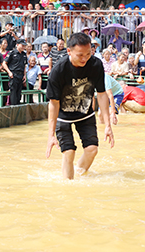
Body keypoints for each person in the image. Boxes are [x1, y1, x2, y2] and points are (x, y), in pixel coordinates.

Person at [45, 32, 114, 180]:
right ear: (69, 51)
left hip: (85, 113)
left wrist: (108, 125)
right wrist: (51, 134)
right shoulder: (58, 70)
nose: (85, 59)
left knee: (92, 150)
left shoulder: (95, 64)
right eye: (80, 55)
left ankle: (80, 175)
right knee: (69, 152)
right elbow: (53, 104)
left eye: (88, 54)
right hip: (63, 117)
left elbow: (102, 94)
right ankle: (67, 186)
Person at [2, 39, 27, 105]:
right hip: (13, 75)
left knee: (19, 94)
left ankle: (18, 109)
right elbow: (4, 63)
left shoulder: (24, 54)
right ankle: (13, 108)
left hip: (21, 75)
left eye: (24, 46)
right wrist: (9, 72)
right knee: (13, 93)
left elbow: (24, 65)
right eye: (22, 45)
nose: (23, 47)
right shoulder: (12, 53)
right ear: (18, 45)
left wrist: (25, 75)